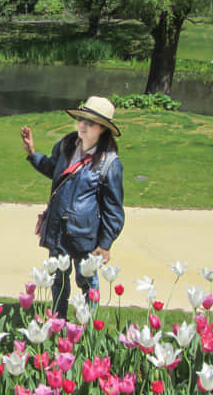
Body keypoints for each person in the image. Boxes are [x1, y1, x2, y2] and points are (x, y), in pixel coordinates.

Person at [20, 96, 125, 320]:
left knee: (87, 282)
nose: (83, 126)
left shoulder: (109, 163)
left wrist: (105, 244)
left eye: (91, 123)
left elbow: (113, 210)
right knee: (57, 280)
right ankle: (59, 322)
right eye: (81, 119)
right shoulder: (66, 146)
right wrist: (33, 154)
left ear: (103, 129)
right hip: (58, 228)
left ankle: (86, 328)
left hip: (85, 235)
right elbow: (53, 171)